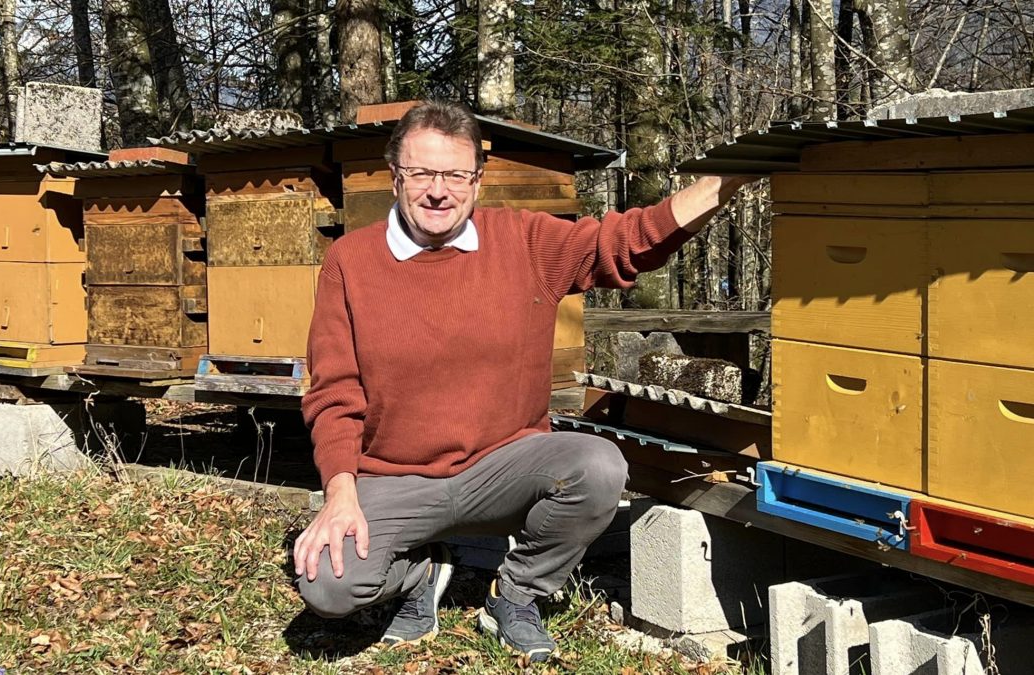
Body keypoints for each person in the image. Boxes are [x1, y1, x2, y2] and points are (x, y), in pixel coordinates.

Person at [293, 101, 751, 663]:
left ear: (477, 181)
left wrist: (724, 182)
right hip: (397, 476)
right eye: (423, 174)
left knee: (598, 466)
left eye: (455, 175)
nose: (439, 191)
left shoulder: (526, 242)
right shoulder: (349, 260)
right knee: (328, 586)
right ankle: (419, 574)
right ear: (396, 177)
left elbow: (628, 240)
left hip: (504, 467)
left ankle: (514, 593)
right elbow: (334, 391)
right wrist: (340, 493)